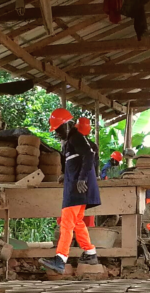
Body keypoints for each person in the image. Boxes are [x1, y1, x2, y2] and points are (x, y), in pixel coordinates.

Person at [40, 108, 100, 274]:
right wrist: (65, 175)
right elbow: (77, 163)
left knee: (66, 222)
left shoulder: (76, 138)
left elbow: (88, 155)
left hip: (78, 189)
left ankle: (60, 259)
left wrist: (81, 179)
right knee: (77, 222)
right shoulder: (70, 143)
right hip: (75, 188)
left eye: (58, 129)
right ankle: (90, 252)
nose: (57, 133)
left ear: (67, 125)